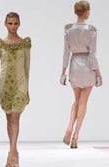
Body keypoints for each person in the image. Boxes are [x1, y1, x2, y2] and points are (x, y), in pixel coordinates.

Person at [0, 12, 31, 167]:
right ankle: (14, 150)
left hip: (21, 83)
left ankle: (12, 153)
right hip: (4, 85)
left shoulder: (25, 44)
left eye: (15, 23)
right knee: (9, 118)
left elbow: (27, 67)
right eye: (10, 23)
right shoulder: (0, 44)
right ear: (5, 24)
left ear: (19, 24)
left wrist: (28, 89)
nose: (13, 26)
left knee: (16, 117)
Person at [60, 0, 101, 149]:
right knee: (83, 102)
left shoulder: (68, 29)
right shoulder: (91, 29)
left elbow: (66, 53)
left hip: (74, 64)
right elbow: (92, 54)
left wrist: (63, 72)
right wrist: (98, 72)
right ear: (86, 12)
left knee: (76, 100)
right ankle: (76, 135)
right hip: (88, 66)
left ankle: (69, 128)